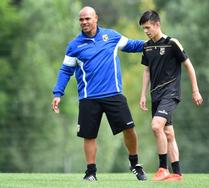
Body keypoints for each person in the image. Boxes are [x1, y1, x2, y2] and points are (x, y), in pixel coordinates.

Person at [51, 6, 147, 181]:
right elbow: (65, 71)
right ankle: (91, 172)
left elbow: (132, 45)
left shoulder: (111, 36)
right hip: (89, 97)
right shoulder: (74, 46)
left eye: (87, 18)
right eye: (81, 19)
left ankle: (135, 164)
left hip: (113, 94)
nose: (84, 22)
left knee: (129, 129)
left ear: (96, 18)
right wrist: (58, 93)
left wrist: (151, 44)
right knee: (89, 135)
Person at [138, 10, 203, 181]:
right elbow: (146, 71)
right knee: (168, 133)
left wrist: (195, 90)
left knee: (156, 126)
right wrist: (143, 95)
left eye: (148, 27)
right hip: (155, 96)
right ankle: (177, 173)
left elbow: (189, 66)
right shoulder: (147, 46)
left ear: (157, 24)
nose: (146, 31)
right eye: (143, 28)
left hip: (170, 93)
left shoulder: (172, 43)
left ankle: (162, 168)